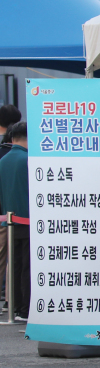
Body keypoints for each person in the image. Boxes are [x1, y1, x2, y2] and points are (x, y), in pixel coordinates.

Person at [0, 123, 28, 320]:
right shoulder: (28, 160)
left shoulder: (3, 160)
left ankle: (16, 307)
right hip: (29, 220)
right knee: (28, 266)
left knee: (15, 265)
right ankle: (26, 308)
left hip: (9, 221)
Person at [0, 103, 19, 307]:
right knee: (14, 258)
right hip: (14, 212)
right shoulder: (20, 149)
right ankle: (11, 299)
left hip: (5, 213)